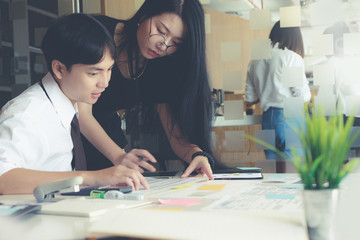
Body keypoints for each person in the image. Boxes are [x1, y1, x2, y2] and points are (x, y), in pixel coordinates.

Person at [0, 13, 149, 195]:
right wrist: (91, 177)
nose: (105, 82)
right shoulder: (28, 114)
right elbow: (3, 178)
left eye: (109, 70)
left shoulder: (69, 106)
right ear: (59, 69)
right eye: (94, 73)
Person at [79, 0, 226, 179]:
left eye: (176, 43)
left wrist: (197, 155)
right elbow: (81, 112)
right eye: (160, 31)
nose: (164, 46)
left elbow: (175, 136)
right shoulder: (100, 32)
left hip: (108, 139)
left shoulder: (160, 68)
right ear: (144, 15)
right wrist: (118, 156)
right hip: (70, 131)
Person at [245, 20, 311, 160]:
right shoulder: (291, 58)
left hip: (268, 118)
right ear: (295, 37)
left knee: (272, 171)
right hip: (290, 116)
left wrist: (267, 89)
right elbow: (301, 95)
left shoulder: (255, 61)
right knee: (295, 169)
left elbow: (249, 99)